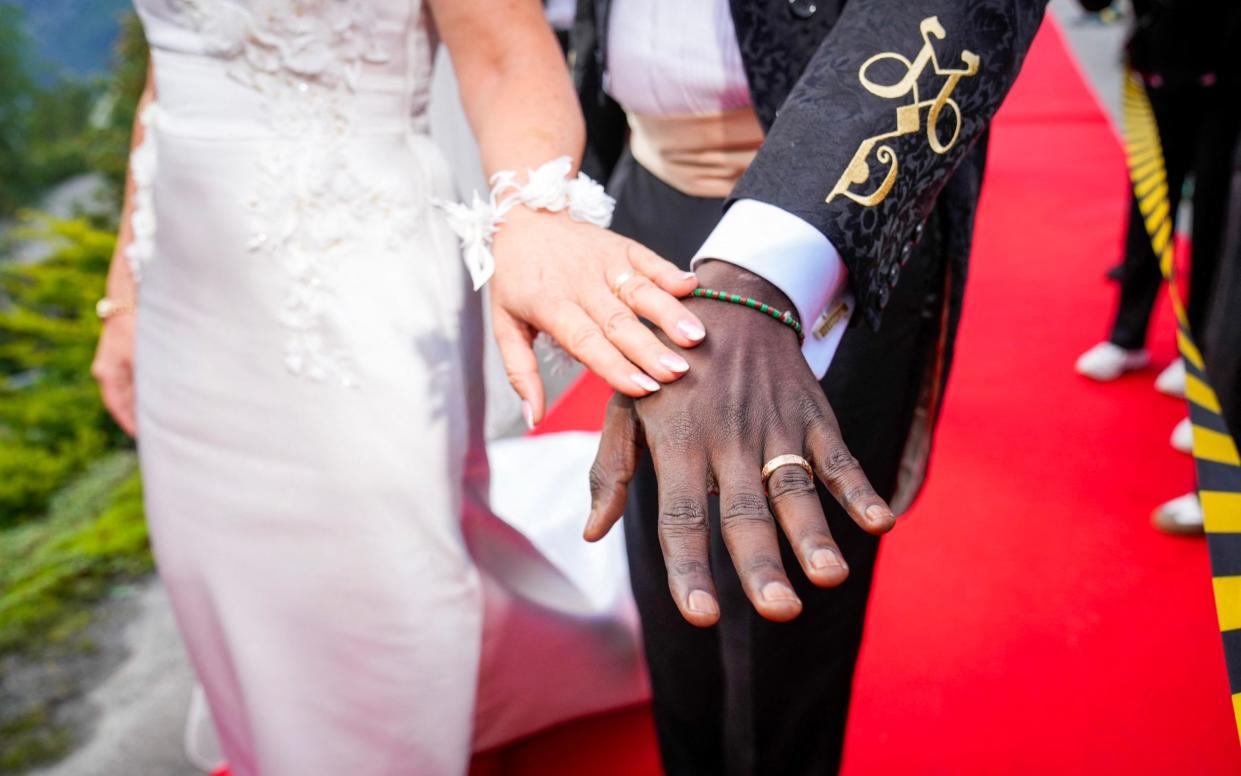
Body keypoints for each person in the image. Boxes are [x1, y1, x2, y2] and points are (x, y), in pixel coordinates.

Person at [89, 1, 711, 773]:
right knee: (218, 552)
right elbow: (171, 69)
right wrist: (125, 289)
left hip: (351, 262)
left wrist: (532, 214)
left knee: (383, 566)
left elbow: (507, 58)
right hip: (187, 267)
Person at [576, 1, 1047, 773]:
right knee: (672, 571)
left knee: (783, 620)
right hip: (643, 198)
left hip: (825, 221)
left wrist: (763, 269)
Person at [1074, 0, 1241, 393]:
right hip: (1157, 64)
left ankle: (1198, 350)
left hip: (1224, 75)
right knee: (1148, 198)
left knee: (1212, 215)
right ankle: (1127, 335)